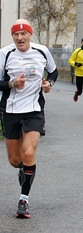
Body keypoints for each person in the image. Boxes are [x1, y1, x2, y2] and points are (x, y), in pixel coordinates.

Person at [0, 19, 58, 218]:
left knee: (28, 153)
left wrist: (48, 83)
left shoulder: (41, 51)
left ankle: (23, 199)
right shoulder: (5, 53)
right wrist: (10, 84)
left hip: (34, 110)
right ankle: (24, 170)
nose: (19, 37)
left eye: (23, 34)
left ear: (30, 34)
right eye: (16, 34)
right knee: (15, 160)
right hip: (10, 110)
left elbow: (53, 71)